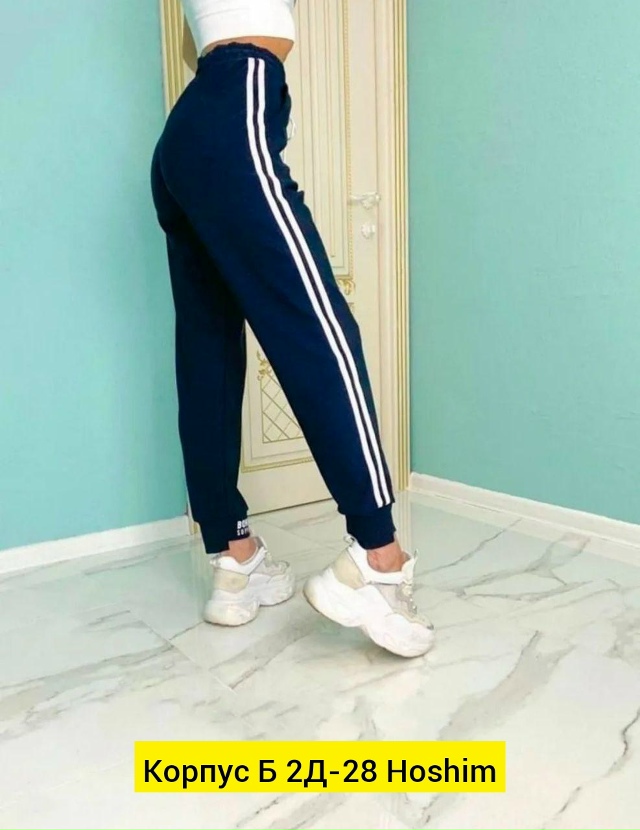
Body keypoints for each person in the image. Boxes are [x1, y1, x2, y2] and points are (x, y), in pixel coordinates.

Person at [150, 0, 434, 657]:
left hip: (190, 128)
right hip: (237, 99)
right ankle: (378, 559)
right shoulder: (246, 76)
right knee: (321, 331)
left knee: (208, 348)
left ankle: (234, 558)